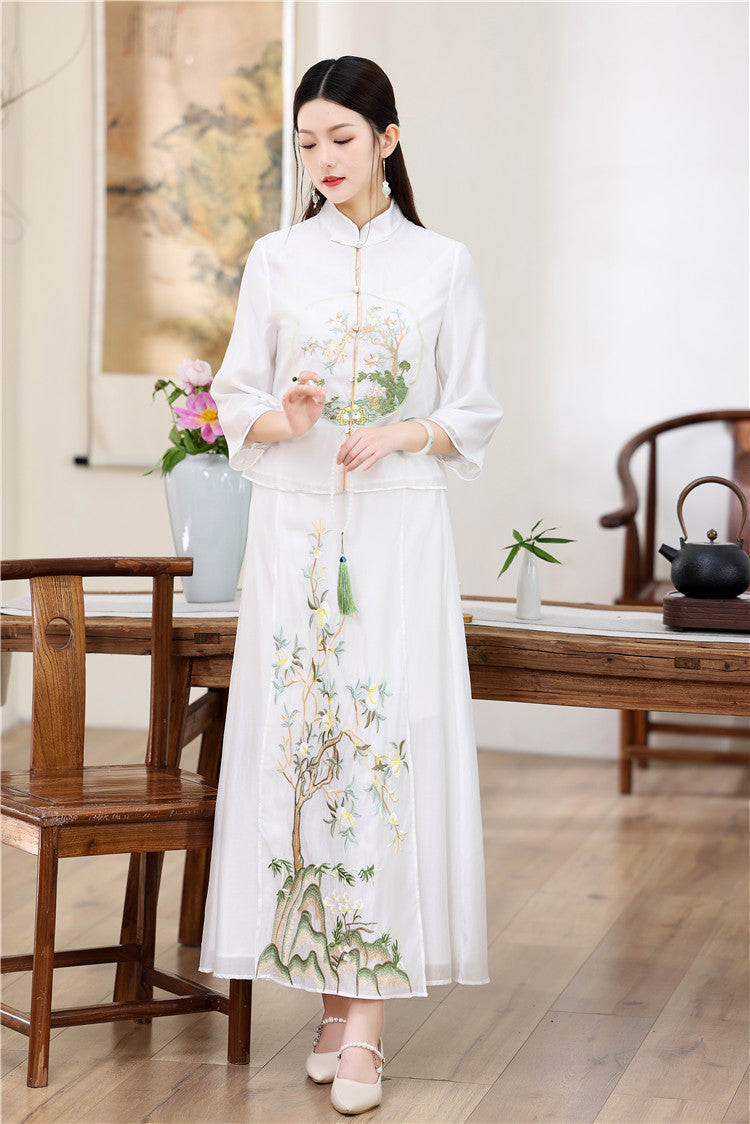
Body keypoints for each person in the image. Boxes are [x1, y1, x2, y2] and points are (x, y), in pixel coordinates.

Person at [199, 56, 502, 1116]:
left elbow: (473, 409)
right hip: (296, 533)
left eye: (341, 138)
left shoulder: (444, 263)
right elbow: (235, 396)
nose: (322, 159)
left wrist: (404, 431)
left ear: (388, 139)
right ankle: (337, 1002)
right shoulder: (277, 259)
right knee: (309, 751)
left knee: (384, 744)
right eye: (307, 143)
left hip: (398, 532)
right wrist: (286, 413)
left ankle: (364, 1025)